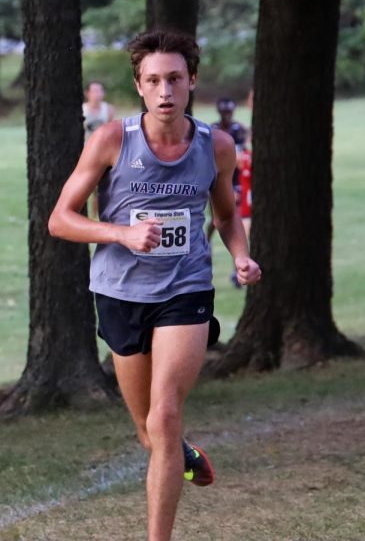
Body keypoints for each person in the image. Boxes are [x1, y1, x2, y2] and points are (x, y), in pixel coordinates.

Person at [49, 30, 261, 540]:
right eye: (153, 81)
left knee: (166, 413)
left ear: (191, 82)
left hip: (185, 289)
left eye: (174, 79)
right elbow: (59, 220)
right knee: (148, 429)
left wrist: (240, 256)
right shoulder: (112, 141)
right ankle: (182, 453)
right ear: (139, 87)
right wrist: (120, 232)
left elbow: (227, 216)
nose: (165, 90)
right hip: (120, 293)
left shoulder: (218, 146)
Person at [207, 97, 251, 287]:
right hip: (217, 181)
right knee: (217, 221)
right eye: (224, 112)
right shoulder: (212, 130)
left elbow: (243, 156)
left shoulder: (239, 130)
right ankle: (205, 246)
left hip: (236, 181)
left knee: (239, 222)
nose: (227, 116)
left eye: (229, 112)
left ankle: (238, 268)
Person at [83, 81, 116, 218]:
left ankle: (95, 217)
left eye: (100, 91)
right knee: (86, 187)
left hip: (102, 155)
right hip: (85, 153)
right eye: (94, 91)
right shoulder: (83, 109)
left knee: (100, 188)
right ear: (87, 93)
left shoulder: (107, 109)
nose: (97, 94)